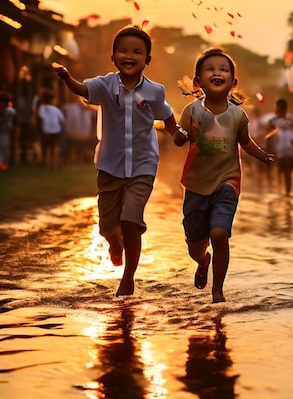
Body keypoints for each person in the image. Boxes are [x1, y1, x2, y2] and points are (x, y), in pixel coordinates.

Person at [53, 25, 186, 297]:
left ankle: (128, 277)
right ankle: (114, 244)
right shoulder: (104, 85)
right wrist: (68, 79)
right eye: (123, 50)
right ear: (113, 56)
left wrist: (176, 133)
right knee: (107, 227)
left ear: (147, 59)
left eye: (137, 51)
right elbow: (83, 89)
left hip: (143, 164)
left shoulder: (155, 91)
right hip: (110, 165)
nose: (129, 55)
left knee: (131, 219)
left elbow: (166, 116)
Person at [176, 47, 275, 303]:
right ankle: (203, 260)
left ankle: (218, 290)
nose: (217, 73)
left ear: (233, 81)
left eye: (223, 69)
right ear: (198, 82)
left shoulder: (238, 114)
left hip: (227, 182)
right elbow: (179, 135)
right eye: (210, 69)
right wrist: (178, 135)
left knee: (219, 233)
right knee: (195, 245)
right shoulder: (192, 112)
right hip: (196, 185)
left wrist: (263, 155)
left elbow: (245, 142)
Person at [266, 99, 293, 196]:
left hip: (290, 151)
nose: (277, 110)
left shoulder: (290, 120)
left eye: (279, 108)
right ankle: (279, 192)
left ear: (284, 109)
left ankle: (287, 193)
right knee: (279, 171)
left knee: (288, 173)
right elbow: (268, 137)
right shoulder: (272, 121)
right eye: (277, 107)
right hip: (278, 150)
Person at [37, 91, 66, 169]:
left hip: (45, 130)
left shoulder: (41, 108)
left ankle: (44, 162)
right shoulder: (55, 109)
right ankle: (53, 163)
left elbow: (40, 117)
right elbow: (62, 119)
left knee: (45, 147)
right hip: (55, 130)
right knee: (53, 147)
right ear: (51, 100)